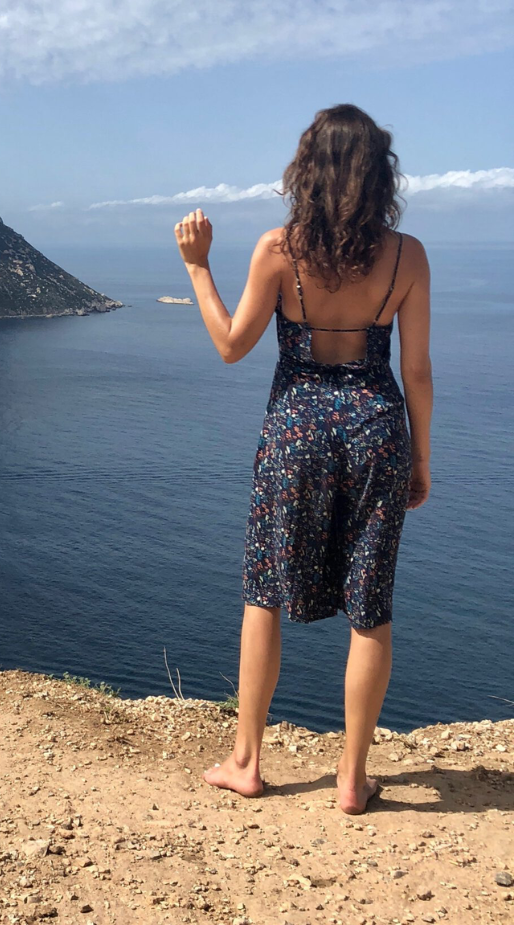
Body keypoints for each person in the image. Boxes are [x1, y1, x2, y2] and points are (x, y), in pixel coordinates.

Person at [174, 104, 432, 816]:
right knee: (370, 608)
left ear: (306, 172)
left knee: (265, 593)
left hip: (297, 434)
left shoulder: (276, 251)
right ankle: (352, 779)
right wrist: (423, 457)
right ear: (380, 173)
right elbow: (419, 373)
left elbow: (231, 344)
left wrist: (197, 268)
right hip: (379, 428)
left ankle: (248, 762)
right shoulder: (407, 256)